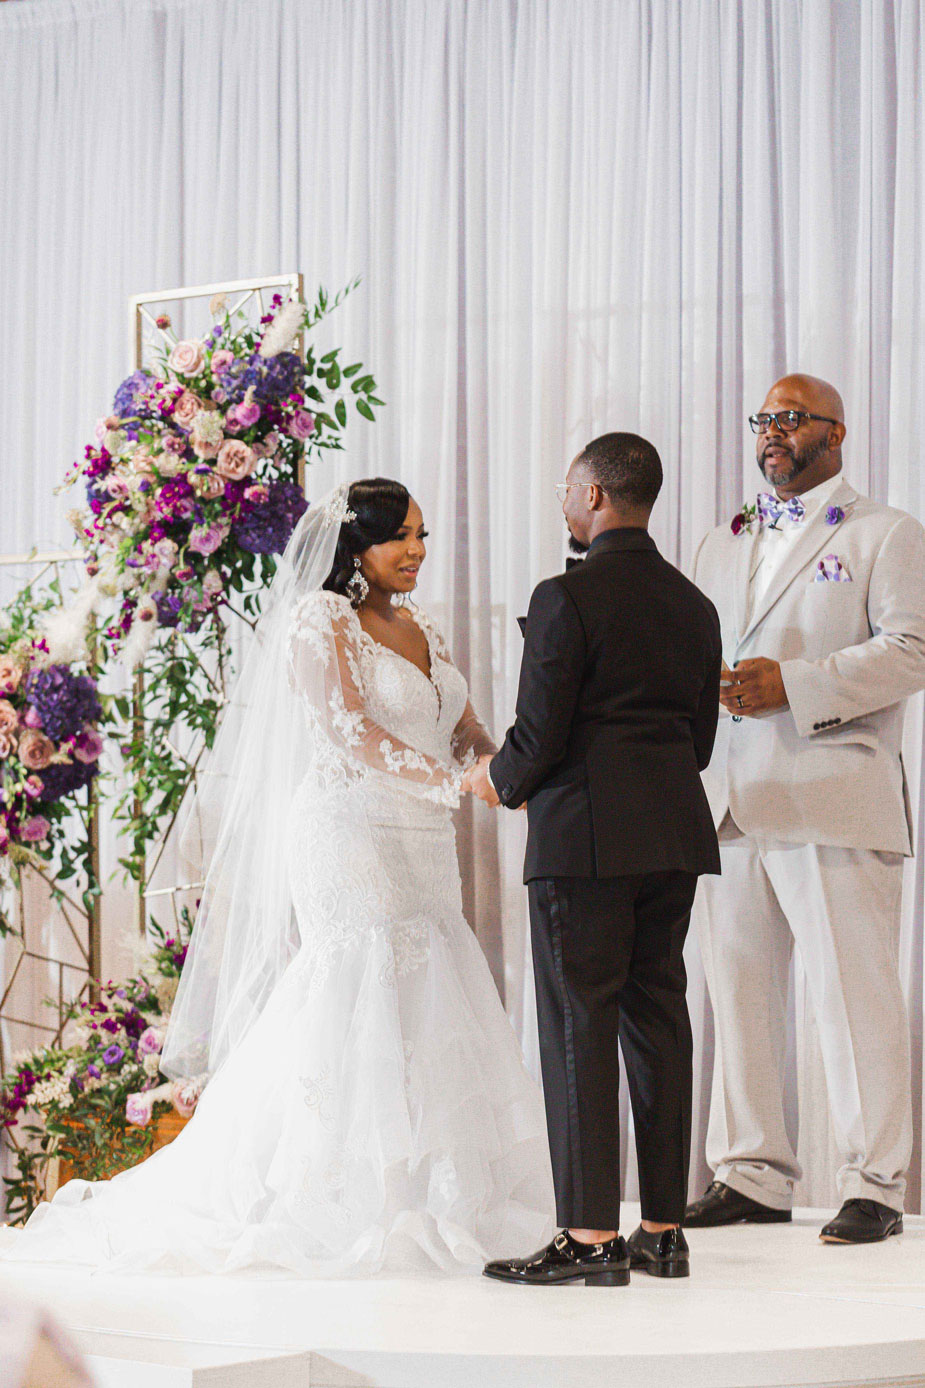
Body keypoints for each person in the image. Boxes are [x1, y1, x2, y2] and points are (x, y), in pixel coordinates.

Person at [2, 479, 554, 1277]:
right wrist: (448, 783)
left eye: (423, 535)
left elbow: (460, 728)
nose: (417, 552)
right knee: (355, 984)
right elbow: (350, 731)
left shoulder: (421, 623)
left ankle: (428, 1192)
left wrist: (514, 770)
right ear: (353, 543)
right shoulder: (317, 618)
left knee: (430, 988)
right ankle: (328, 1191)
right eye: (401, 536)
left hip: (425, 838)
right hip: (349, 828)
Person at [465, 433, 722, 1286]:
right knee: (659, 1023)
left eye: (567, 489)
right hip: (673, 836)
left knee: (580, 1026)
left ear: (596, 497)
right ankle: (661, 1230)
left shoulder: (565, 597)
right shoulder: (694, 603)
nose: (563, 502)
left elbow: (536, 735)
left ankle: (585, 1237)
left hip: (583, 839)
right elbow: (700, 740)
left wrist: (494, 782)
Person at [685, 374, 925, 1244]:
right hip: (729, 796)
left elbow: (911, 650)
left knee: (850, 995)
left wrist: (796, 685)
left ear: (836, 432)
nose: (772, 433)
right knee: (737, 989)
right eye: (763, 420)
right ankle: (749, 1171)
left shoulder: (883, 533)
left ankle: (874, 1181)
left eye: (790, 418)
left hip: (832, 789)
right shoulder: (721, 539)